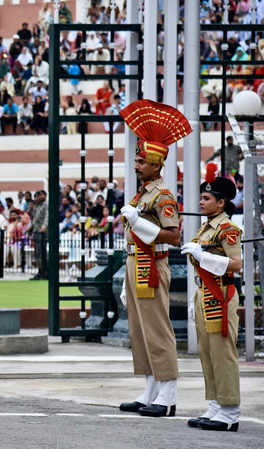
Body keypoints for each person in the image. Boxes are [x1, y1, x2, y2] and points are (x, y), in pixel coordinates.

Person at [118, 99, 192, 418]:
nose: (136, 165)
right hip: (135, 263)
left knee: (158, 329)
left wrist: (138, 222)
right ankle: (151, 390)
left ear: (155, 164)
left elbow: (174, 237)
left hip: (152, 264)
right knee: (140, 330)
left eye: (140, 161)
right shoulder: (143, 194)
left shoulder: (162, 196)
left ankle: (169, 393)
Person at [181, 163, 243, 432]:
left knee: (222, 352)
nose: (200, 202)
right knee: (207, 351)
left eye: (206, 198)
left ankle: (230, 411)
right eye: (201, 197)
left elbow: (236, 263)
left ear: (221, 203)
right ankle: (216, 405)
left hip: (220, 292)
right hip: (204, 291)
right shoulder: (207, 227)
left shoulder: (227, 228)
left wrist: (202, 255)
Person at [29, 190, 48, 280]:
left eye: (40, 195)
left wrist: (44, 226)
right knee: (38, 252)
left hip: (42, 231)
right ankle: (41, 270)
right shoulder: (37, 206)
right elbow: (34, 219)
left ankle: (45, 271)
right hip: (36, 231)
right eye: (36, 196)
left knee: (42, 252)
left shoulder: (46, 204)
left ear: (45, 195)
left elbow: (47, 216)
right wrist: (30, 227)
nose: (38, 197)